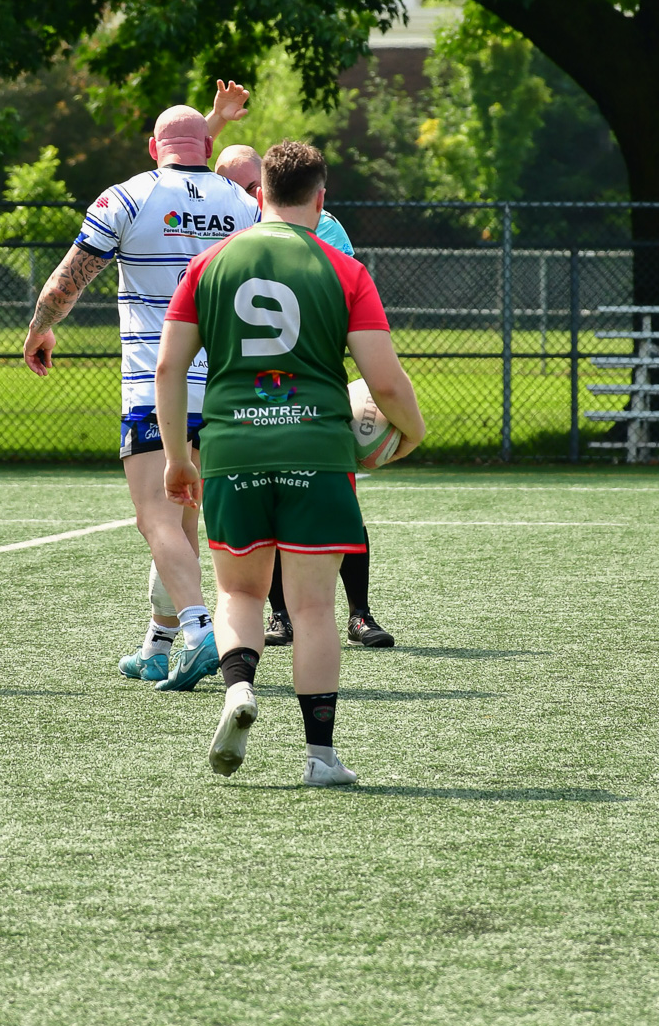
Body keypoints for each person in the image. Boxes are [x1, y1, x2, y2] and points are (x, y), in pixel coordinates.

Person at [156, 140, 426, 785]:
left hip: (230, 447)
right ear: (321, 197)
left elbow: (168, 367)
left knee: (238, 591)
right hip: (316, 448)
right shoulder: (344, 269)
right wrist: (412, 434)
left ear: (258, 196)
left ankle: (239, 689)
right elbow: (383, 381)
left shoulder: (210, 263)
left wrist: (175, 459)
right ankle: (320, 757)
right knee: (311, 609)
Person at [22, 91, 260, 691]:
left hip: (159, 387)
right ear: (208, 148)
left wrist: (40, 329)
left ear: (153, 149)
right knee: (181, 523)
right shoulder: (243, 202)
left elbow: (66, 281)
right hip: (230, 389)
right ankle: (156, 646)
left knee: (156, 519)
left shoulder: (128, 196)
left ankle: (200, 632)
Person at [213, 142, 395, 648]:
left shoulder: (324, 228)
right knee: (265, 517)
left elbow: (345, 304)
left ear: (264, 184)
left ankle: (359, 613)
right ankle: (281, 617)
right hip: (250, 396)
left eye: (248, 184)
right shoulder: (226, 232)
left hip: (312, 393)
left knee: (343, 508)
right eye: (232, 185)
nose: (241, 194)